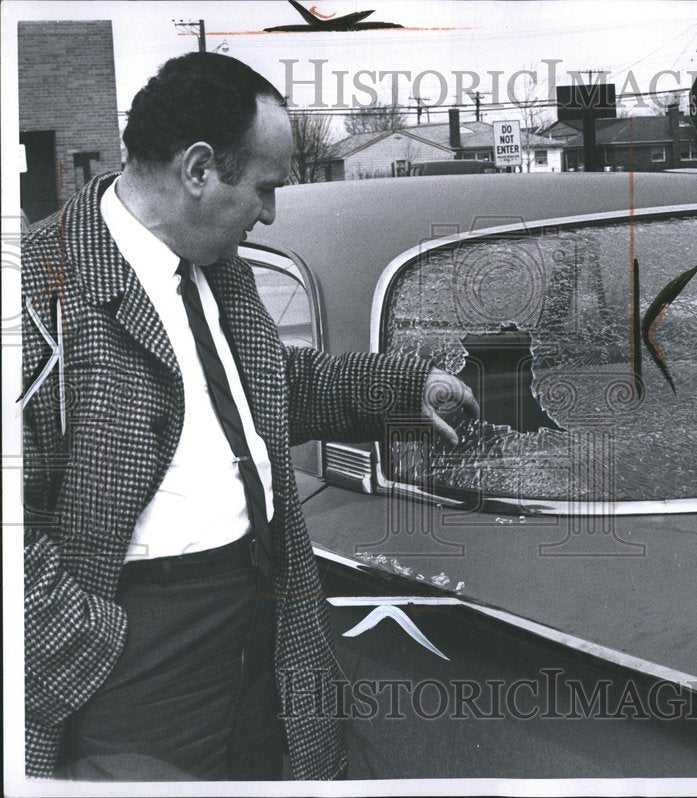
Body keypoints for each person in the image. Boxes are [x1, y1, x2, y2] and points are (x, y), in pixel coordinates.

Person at [20, 52, 476, 781]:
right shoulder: (33, 290)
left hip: (264, 617)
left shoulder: (219, 267)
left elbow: (259, 389)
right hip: (129, 661)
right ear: (199, 170)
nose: (269, 212)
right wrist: (84, 650)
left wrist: (401, 388)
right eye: (265, 188)